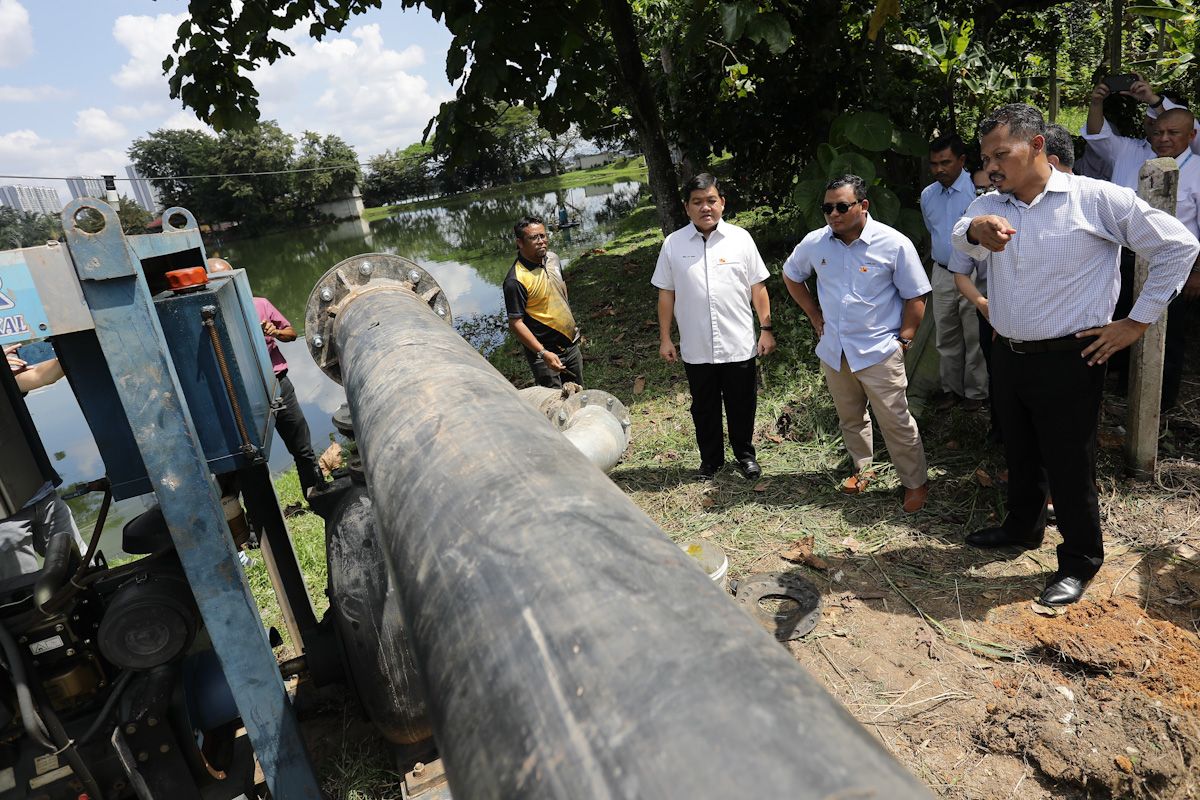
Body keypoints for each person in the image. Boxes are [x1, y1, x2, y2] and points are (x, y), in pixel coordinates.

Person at [952, 103, 1197, 606]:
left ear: (1037, 146)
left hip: (1070, 357)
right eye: (986, 157)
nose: (991, 166)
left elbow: (1178, 246)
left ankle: (1081, 559)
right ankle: (1022, 528)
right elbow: (961, 239)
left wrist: (1137, 321)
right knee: (1019, 450)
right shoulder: (991, 205)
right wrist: (975, 230)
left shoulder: (1095, 198)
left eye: (1001, 154)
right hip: (1009, 352)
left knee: (1068, 463)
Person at [783, 174, 931, 512]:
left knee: (895, 421)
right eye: (827, 208)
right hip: (835, 350)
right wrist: (814, 315)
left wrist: (904, 340)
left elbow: (916, 295)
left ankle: (915, 483)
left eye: (841, 207)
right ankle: (863, 469)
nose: (833, 214)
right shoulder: (815, 243)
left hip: (879, 351)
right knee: (850, 417)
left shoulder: (893, 244)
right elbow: (791, 274)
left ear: (863, 205)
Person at [653, 173, 774, 480]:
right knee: (704, 407)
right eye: (697, 202)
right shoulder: (673, 244)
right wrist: (665, 337)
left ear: (722, 203)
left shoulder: (740, 239)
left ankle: (745, 456)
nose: (705, 208)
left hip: (738, 342)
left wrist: (766, 329)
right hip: (697, 345)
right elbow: (666, 293)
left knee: (741, 404)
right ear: (687, 207)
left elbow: (758, 287)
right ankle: (711, 462)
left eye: (711, 200)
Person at [207, 258, 324, 498]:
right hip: (243, 396)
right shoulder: (210, 318)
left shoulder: (259, 304)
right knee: (250, 458)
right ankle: (258, 515)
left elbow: (291, 334)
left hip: (278, 384)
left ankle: (317, 496)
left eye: (227, 280)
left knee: (302, 448)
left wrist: (275, 331)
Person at [0, 348, 86, 580]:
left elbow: (42, 375)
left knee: (80, 571)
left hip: (43, 497)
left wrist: (72, 344)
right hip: (4, 521)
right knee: (20, 592)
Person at [921, 134, 987, 412]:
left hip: (974, 273)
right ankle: (951, 390)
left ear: (961, 160)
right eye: (934, 164)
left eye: (945, 162)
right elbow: (933, 232)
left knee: (974, 335)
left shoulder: (979, 191)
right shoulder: (928, 195)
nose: (939, 169)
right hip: (942, 272)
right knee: (946, 335)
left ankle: (977, 393)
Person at [503, 217, 583, 389]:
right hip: (545, 354)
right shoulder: (515, 280)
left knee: (579, 393)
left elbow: (561, 287)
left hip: (570, 345)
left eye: (543, 236)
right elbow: (516, 323)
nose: (541, 241)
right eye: (533, 238)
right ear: (520, 242)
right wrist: (543, 353)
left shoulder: (553, 259)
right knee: (554, 400)